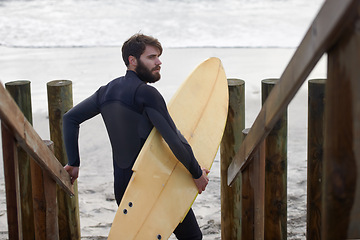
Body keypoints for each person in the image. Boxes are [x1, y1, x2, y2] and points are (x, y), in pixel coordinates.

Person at [63, 33, 209, 239]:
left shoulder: (106, 91)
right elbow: (174, 140)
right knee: (192, 237)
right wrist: (196, 173)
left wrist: (74, 162)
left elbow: (70, 119)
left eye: (158, 56)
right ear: (132, 60)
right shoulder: (147, 94)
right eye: (151, 57)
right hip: (153, 185)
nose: (159, 62)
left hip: (123, 190)